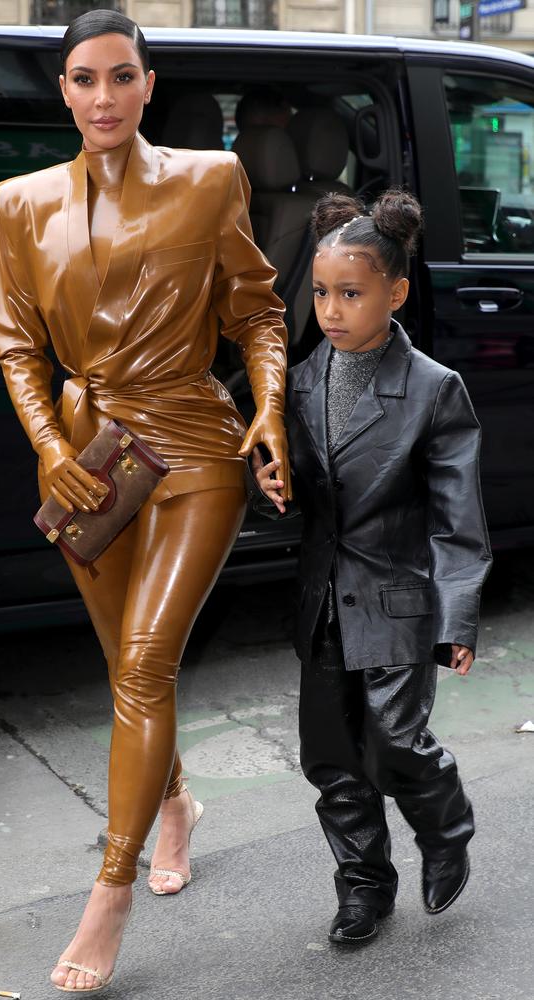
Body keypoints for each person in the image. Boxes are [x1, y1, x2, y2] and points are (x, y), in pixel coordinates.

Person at [0, 10, 290, 994]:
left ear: (148, 84)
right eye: (84, 79)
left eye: (122, 76)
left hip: (194, 439)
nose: (104, 96)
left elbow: (255, 308)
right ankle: (174, 805)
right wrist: (47, 444)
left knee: (147, 660)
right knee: (126, 664)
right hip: (83, 453)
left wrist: (271, 405)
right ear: (63, 90)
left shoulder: (209, 179)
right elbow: (15, 343)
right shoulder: (20, 201)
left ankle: (107, 891)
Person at [254, 189, 492, 947]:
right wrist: (267, 491)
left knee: (394, 741)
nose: (330, 309)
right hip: (323, 602)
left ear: (395, 292)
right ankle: (362, 884)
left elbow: (460, 522)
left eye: (350, 293)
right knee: (330, 757)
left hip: (399, 599)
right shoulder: (295, 384)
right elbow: (284, 497)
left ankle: (445, 822)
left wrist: (455, 618)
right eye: (320, 292)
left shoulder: (433, 389)